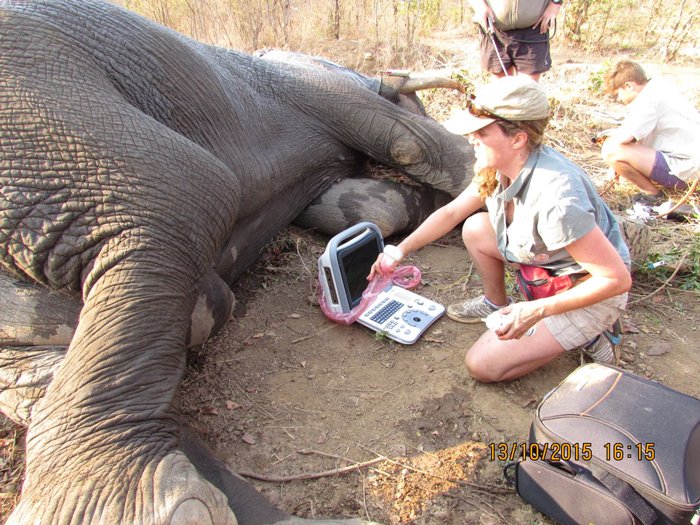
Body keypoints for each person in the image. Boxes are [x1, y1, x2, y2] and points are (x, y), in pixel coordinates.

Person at [369, 76, 632, 383]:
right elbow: (452, 212)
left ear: (518, 138)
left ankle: (593, 335)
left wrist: (537, 311)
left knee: (483, 365)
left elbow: (615, 279)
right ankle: (497, 303)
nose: (471, 138)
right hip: (548, 269)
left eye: (481, 132)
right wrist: (398, 251)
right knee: (476, 228)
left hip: (587, 290)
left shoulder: (556, 198)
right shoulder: (498, 165)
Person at [600, 60, 700, 205]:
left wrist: (613, 163)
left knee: (611, 151)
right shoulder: (659, 87)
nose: (619, 99)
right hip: (689, 161)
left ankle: (653, 194)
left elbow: (623, 139)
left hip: (688, 169)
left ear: (629, 85)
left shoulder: (647, 100)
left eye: (618, 94)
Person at [469, 0, 561, 81]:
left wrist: (555, 3)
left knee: (528, 91)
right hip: (493, 28)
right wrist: (479, 5)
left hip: (533, 28)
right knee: (502, 92)